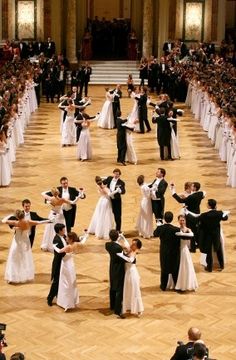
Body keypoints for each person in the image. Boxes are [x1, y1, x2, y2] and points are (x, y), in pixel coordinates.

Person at [1, 210, 50, 284]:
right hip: (25, 242)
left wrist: (9, 215)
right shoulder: (28, 222)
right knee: (24, 258)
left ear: (17, 217)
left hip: (17, 242)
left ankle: (13, 277)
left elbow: (3, 221)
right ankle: (24, 275)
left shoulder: (16, 223)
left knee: (14, 258)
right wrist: (49, 220)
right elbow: (39, 222)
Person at [171, 182, 206, 252]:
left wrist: (172, 190)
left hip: (190, 216)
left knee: (191, 230)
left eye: (192, 186)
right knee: (196, 230)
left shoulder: (191, 197)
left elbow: (180, 200)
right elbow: (204, 194)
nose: (191, 187)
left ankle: (192, 248)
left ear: (195, 188)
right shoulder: (201, 193)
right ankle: (198, 244)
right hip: (197, 214)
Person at [196, 199, 229, 272]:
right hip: (216, 234)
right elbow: (225, 218)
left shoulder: (204, 215)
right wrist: (223, 213)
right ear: (215, 205)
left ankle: (209, 267)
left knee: (208, 251)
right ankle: (221, 265)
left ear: (209, 206)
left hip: (208, 235)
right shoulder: (219, 213)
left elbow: (196, 219)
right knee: (218, 250)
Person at [41, 188, 75, 252]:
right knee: (60, 230)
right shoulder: (62, 200)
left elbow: (42, 193)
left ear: (52, 193)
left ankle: (50, 244)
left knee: (50, 229)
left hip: (52, 215)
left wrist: (49, 191)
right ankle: (60, 244)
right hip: (60, 215)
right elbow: (73, 202)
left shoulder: (50, 198)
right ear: (58, 192)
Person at [153, 211, 180, 291]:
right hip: (174, 251)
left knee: (164, 268)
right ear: (172, 219)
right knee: (175, 269)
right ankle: (176, 285)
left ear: (164, 218)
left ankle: (163, 286)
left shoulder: (161, 228)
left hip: (164, 251)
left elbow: (155, 234)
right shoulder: (176, 229)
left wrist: (158, 226)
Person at [54, 232, 81, 311]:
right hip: (71, 264)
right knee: (71, 282)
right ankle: (72, 301)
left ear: (71, 239)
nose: (66, 238)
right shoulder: (75, 244)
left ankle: (66, 303)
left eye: (67, 238)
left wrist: (54, 246)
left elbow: (59, 251)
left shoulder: (68, 247)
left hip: (66, 265)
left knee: (65, 283)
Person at [118, 238, 144, 317]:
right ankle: (128, 307)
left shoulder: (135, 252)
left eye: (134, 244)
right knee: (127, 290)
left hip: (132, 274)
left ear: (137, 247)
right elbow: (125, 244)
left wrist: (122, 255)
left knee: (135, 291)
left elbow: (130, 260)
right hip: (127, 273)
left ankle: (139, 309)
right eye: (132, 243)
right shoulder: (130, 250)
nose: (131, 245)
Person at [105, 230, 127, 318]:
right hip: (119, 268)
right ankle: (118, 310)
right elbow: (123, 258)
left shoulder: (107, 245)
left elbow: (115, 245)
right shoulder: (118, 248)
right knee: (119, 289)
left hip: (112, 267)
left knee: (112, 287)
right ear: (117, 237)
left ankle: (112, 305)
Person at [174, 215, 198, 291]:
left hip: (184, 250)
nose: (182, 222)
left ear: (185, 221)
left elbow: (191, 236)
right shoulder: (176, 229)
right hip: (178, 250)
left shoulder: (188, 230)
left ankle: (187, 283)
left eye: (183, 220)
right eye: (180, 220)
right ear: (178, 221)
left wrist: (182, 234)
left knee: (186, 265)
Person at [47, 223, 67, 306]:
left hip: (64, 262)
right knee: (56, 281)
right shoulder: (56, 240)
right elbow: (59, 252)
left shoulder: (64, 236)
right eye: (63, 229)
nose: (65, 231)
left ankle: (59, 296)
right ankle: (50, 298)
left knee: (61, 280)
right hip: (58, 263)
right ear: (59, 231)